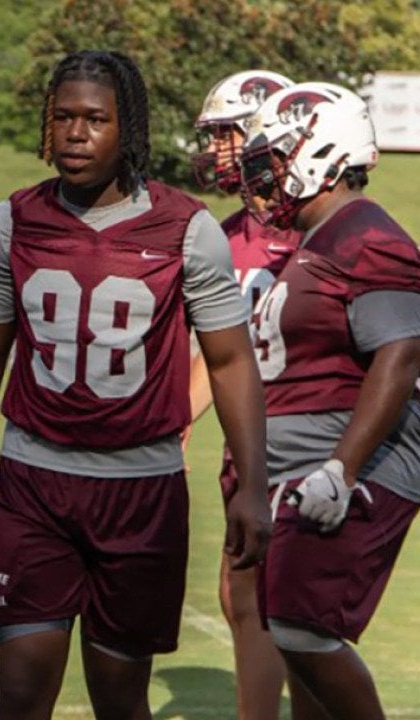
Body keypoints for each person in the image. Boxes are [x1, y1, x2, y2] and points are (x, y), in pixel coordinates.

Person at [0, 50, 271, 720]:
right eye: (63, 116)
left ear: (127, 129)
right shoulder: (12, 222)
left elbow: (231, 363)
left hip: (141, 489)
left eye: (95, 119)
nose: (75, 133)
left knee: (119, 696)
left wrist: (252, 484)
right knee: (19, 694)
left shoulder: (188, 229)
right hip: (32, 482)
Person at [241, 82, 420, 720]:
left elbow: (400, 354)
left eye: (278, 155)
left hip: (353, 463)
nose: (265, 171)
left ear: (322, 150)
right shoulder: (318, 237)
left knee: (300, 628)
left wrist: (341, 469)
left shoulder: (365, 236)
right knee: (292, 634)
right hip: (302, 462)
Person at [187, 69, 310, 720]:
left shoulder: (318, 229)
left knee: (280, 602)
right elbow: (223, 354)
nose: (214, 152)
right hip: (249, 447)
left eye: (226, 136)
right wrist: (175, 418)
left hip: (307, 440)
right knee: (241, 593)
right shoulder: (227, 233)